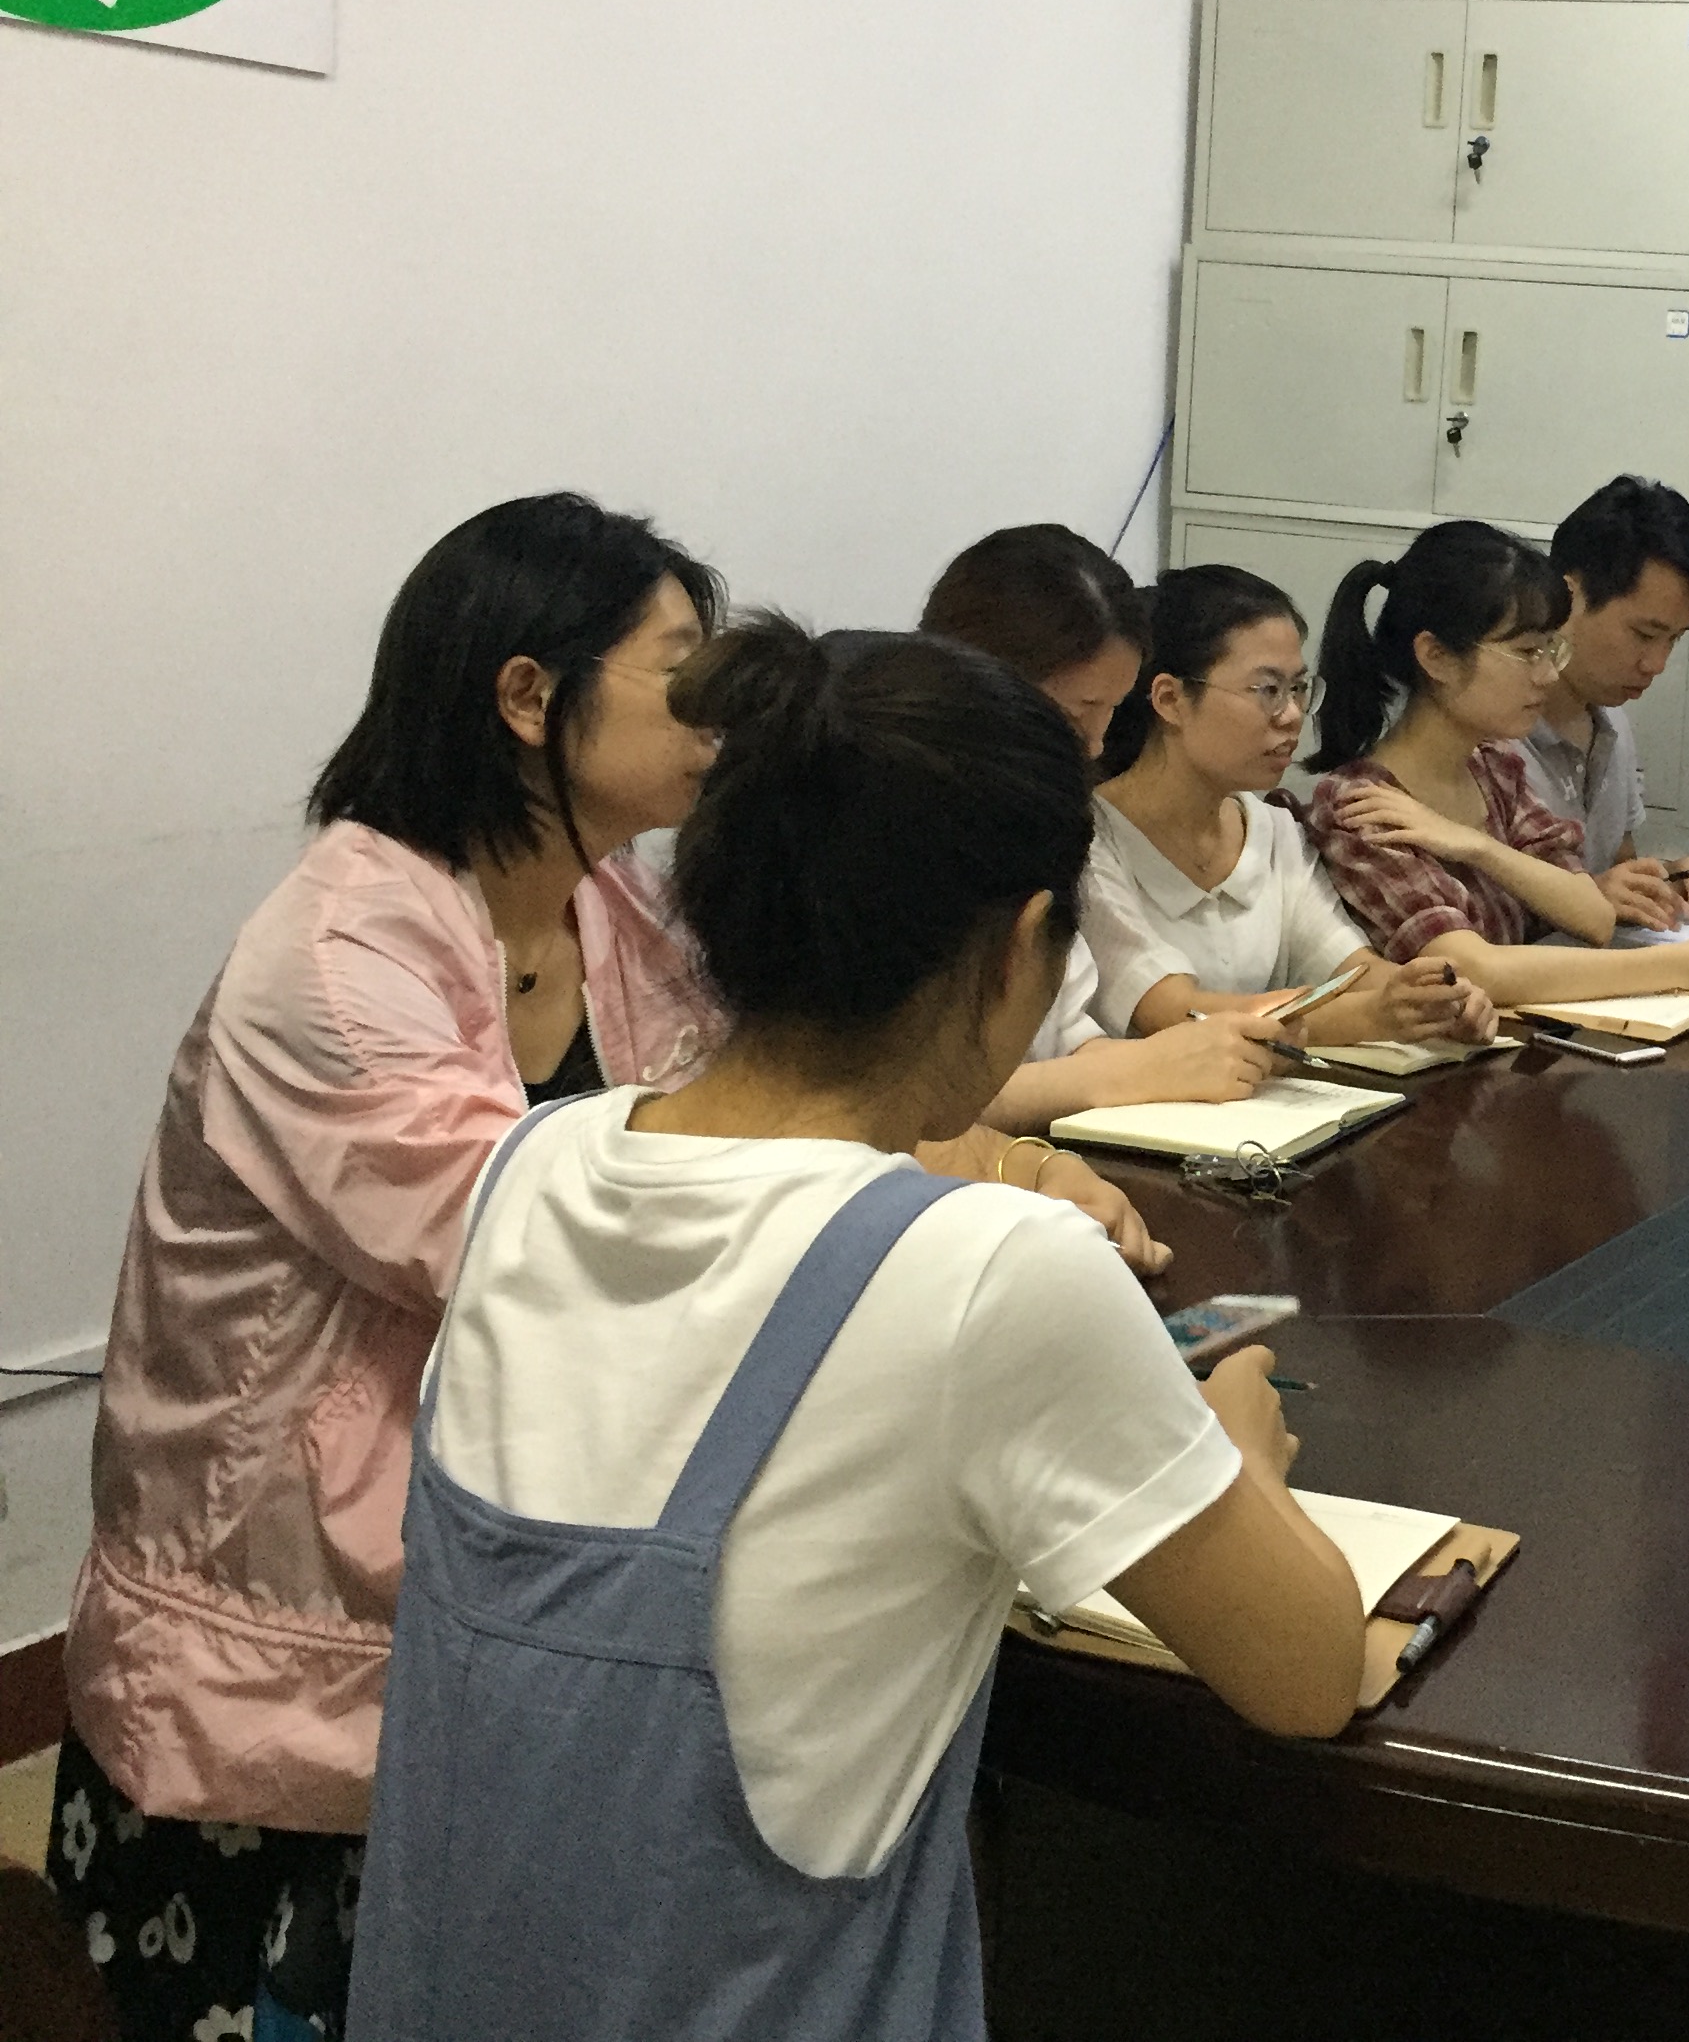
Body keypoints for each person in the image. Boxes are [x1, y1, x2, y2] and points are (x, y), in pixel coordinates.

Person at [48, 496, 1150, 2042]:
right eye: (679, 670)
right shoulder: (339, 956)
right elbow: (560, 1240)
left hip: (500, 1586)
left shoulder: (617, 899)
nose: (719, 714)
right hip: (287, 1632)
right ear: (526, 696)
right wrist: (972, 1214)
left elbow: (779, 1107)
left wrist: (993, 1159)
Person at [346, 619, 1364, 2037]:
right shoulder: (990, 1271)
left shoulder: (531, 1164)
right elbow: (1308, 1675)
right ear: (1021, 948)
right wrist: (1238, 1449)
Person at [916, 524, 1288, 1124]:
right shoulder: (883, 826)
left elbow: (1068, 1033)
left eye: (1112, 711)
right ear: (979, 681)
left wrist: (1170, 1063)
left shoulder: (1039, 824)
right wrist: (1127, 1071)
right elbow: (884, 1103)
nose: (1093, 746)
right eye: (1077, 713)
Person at [1302, 521, 1689, 1004]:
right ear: (1436, 657)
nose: (1546, 675)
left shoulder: (1492, 766)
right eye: (1526, 653)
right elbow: (1469, 970)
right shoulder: (1359, 807)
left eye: (1549, 650)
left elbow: (1593, 914)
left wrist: (1477, 846)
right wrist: (1677, 968)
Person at [1088, 564, 1498, 1043]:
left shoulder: (1274, 831)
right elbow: (1176, 1011)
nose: (1291, 716)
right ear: (1170, 699)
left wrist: (1436, 997)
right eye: (1267, 690)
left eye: (1299, 688)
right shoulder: (1090, 841)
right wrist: (1375, 1016)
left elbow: (1353, 971)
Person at [1510, 475, 1689, 930]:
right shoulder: (1487, 730)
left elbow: (1617, 870)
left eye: (1674, 639)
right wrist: (1585, 900)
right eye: (1643, 634)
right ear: (1568, 596)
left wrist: (1671, 881)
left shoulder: (1612, 721)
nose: (1656, 664)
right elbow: (1467, 918)